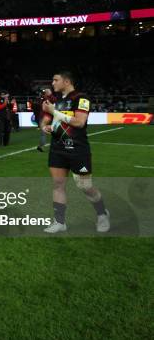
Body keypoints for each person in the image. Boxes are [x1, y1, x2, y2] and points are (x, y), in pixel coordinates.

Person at [40, 71, 110, 233]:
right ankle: (59, 222)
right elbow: (46, 119)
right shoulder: (55, 100)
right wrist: (46, 126)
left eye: (55, 80)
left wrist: (54, 112)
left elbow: (79, 122)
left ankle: (102, 213)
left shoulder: (81, 98)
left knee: (85, 186)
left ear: (66, 81)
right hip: (58, 148)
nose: (53, 83)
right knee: (58, 184)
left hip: (77, 149)